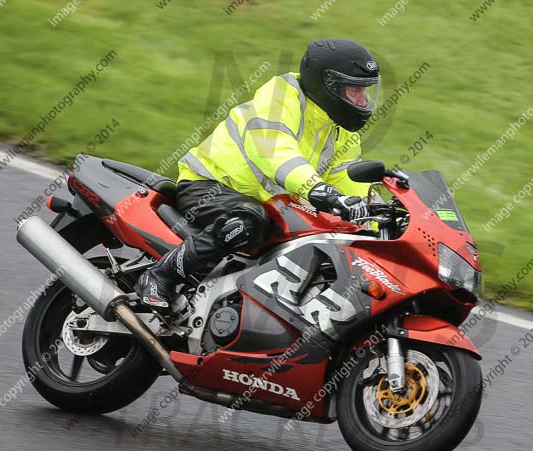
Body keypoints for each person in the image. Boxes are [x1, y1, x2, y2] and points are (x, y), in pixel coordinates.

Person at [135, 39, 382, 308]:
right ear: (328, 85)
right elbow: (275, 150)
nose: (362, 100)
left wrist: (375, 225)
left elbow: (349, 182)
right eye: (354, 91)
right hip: (210, 185)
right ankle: (160, 275)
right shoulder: (280, 96)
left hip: (269, 203)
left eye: (364, 92)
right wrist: (319, 190)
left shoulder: (341, 130)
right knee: (248, 221)